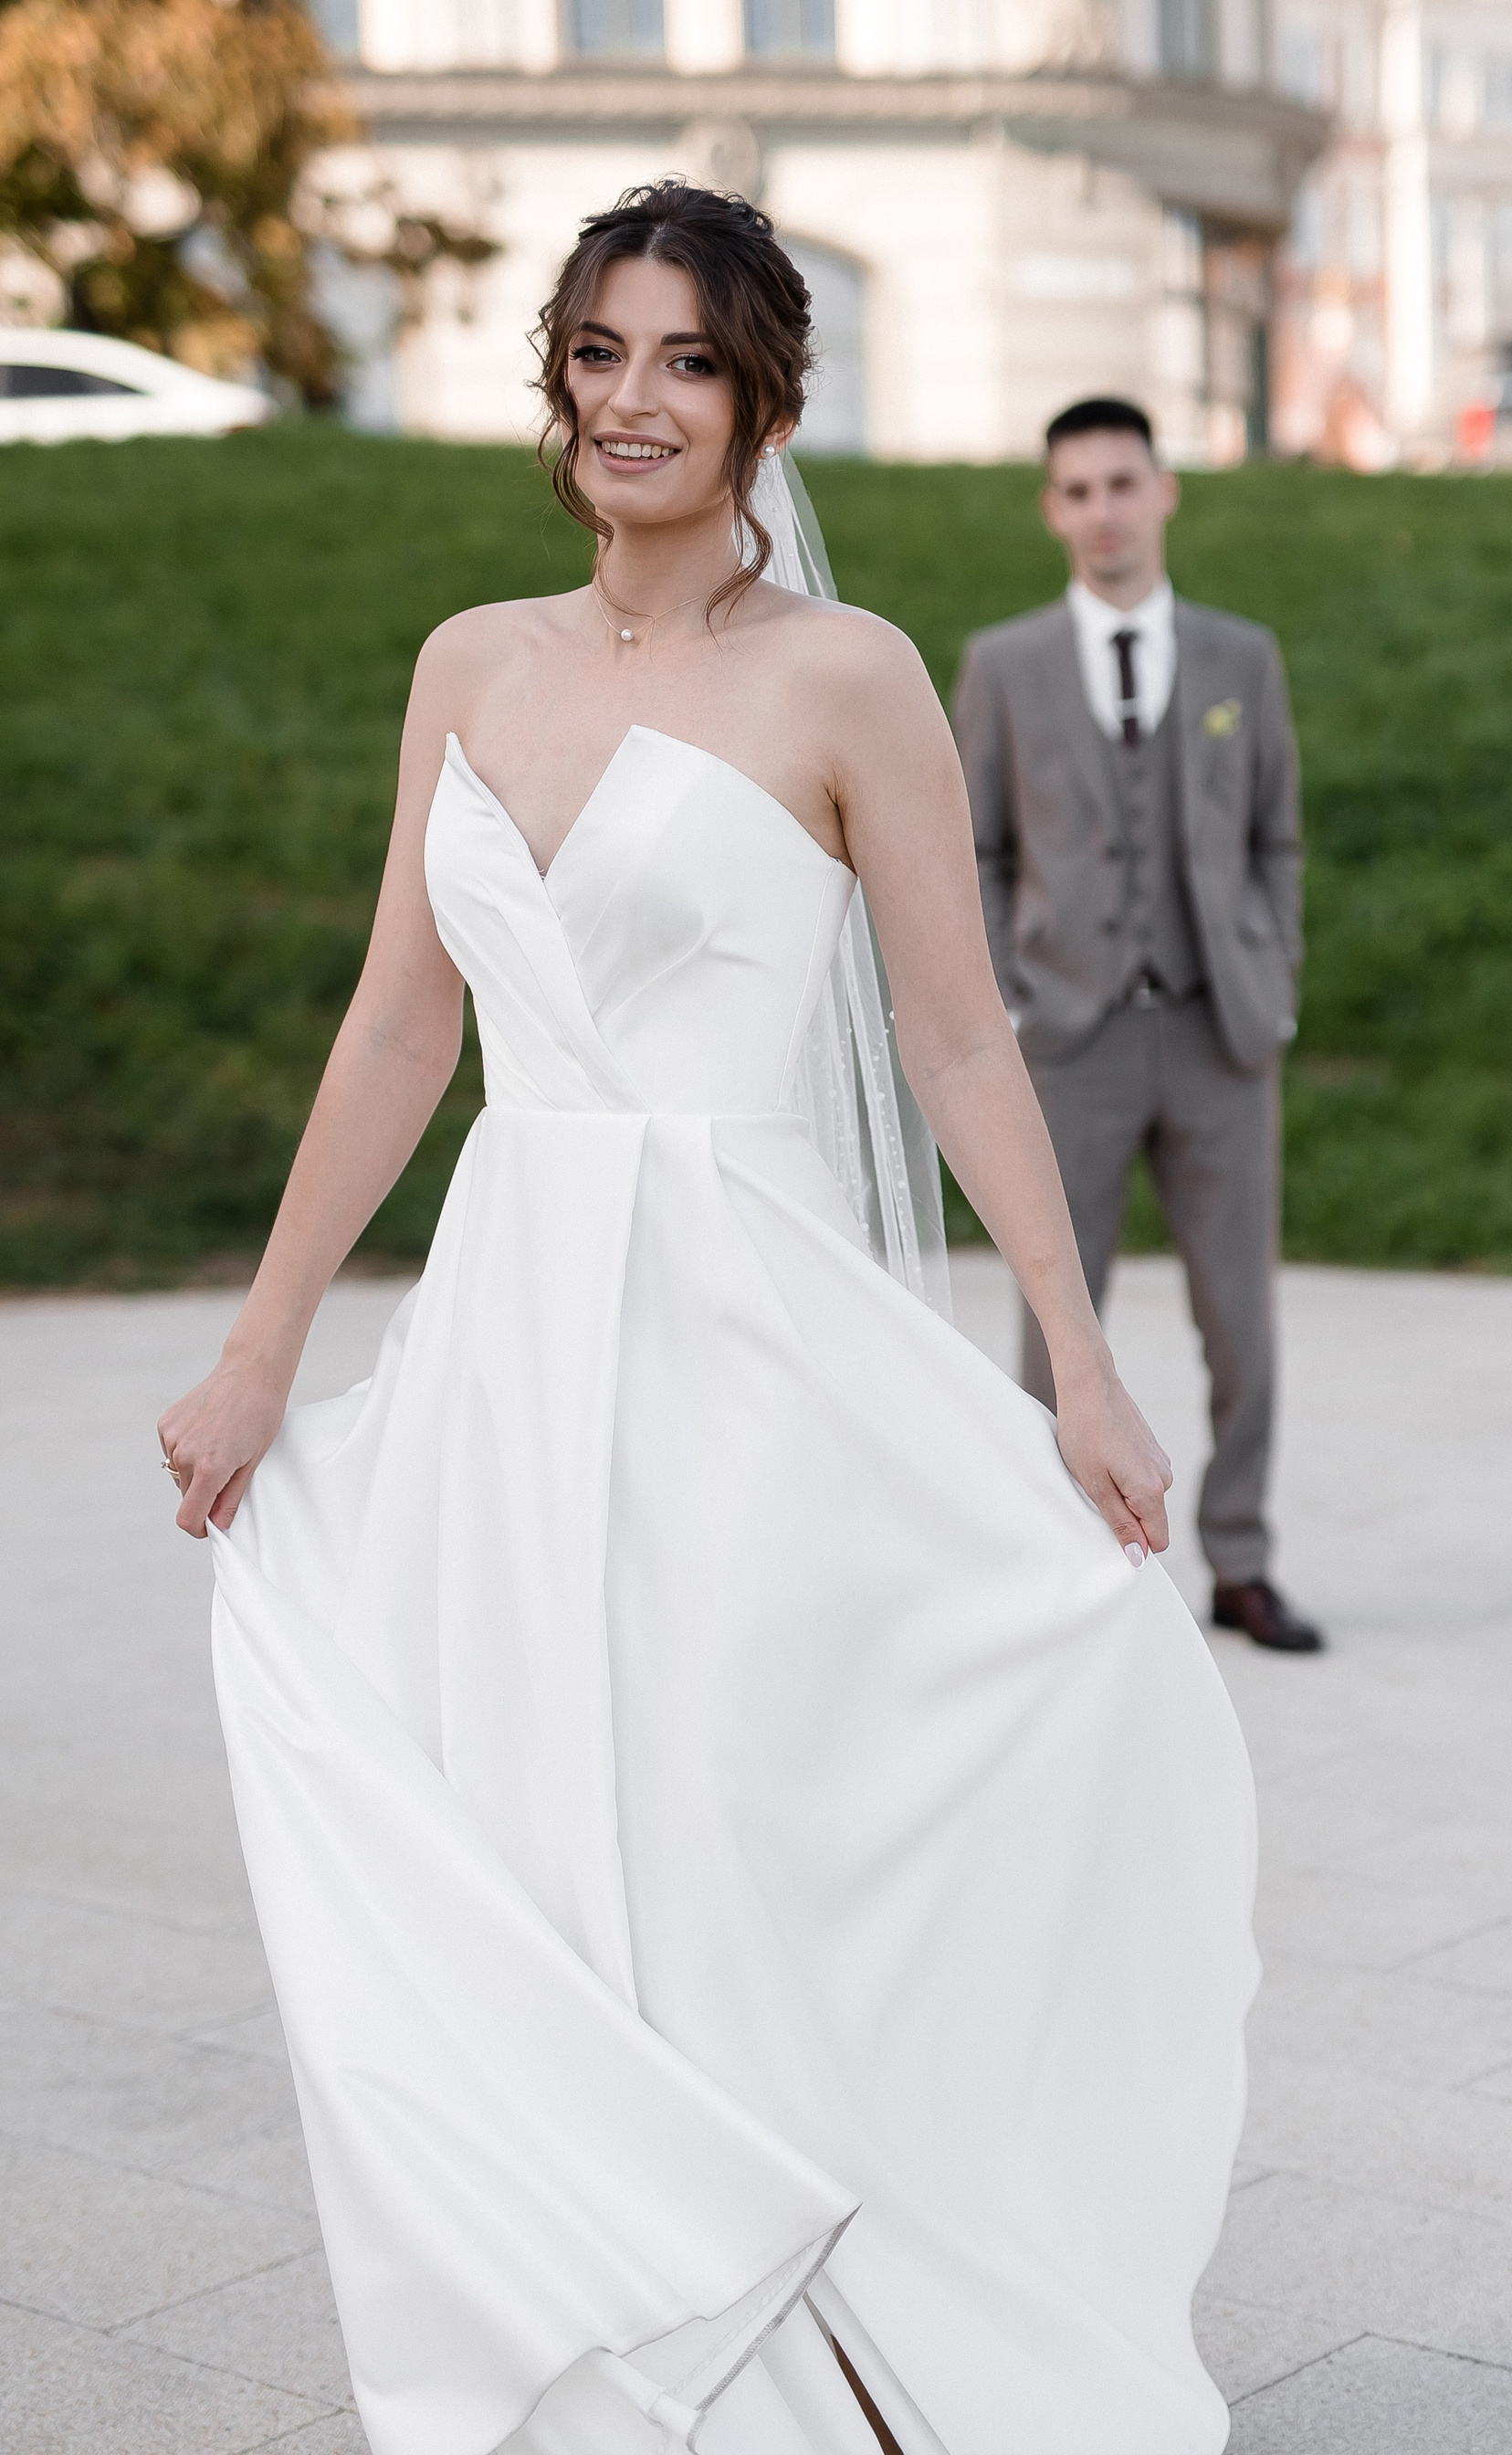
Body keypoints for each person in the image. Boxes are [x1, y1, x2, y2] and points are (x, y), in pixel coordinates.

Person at [156, 187, 1256, 2455]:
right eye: (600, 353)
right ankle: (622, 2329)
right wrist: (264, 1348)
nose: (635, 401)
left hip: (744, 1328)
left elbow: (956, 1043)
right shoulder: (470, 663)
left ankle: (853, 2334)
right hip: (513, 1325)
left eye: (687, 360)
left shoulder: (849, 679)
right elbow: (400, 1029)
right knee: (533, 1817)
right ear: (555, 381)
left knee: (727, 1811)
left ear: (763, 401)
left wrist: (1079, 1362)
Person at [953, 396, 1325, 1656]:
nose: (1103, 511)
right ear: (1051, 510)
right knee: (1058, 1321)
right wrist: (1010, 992)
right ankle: (1056, 1567)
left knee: (1242, 1321)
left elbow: (1276, 837)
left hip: (1221, 1034)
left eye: (1123, 484)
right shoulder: (1005, 666)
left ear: (1165, 492)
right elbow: (973, 850)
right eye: (1078, 491)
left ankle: (1242, 1561)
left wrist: (1273, 973)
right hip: (1071, 1041)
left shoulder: (1242, 659)